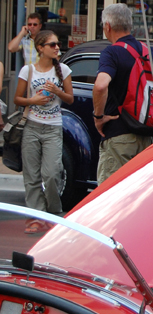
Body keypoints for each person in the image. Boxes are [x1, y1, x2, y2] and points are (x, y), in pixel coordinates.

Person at [92, 4, 153, 184]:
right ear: (129, 25)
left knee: (112, 196)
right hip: (147, 137)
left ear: (107, 26)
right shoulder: (148, 51)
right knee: (137, 197)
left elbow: (101, 85)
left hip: (119, 137)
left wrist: (98, 117)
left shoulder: (112, 52)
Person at [14, 31, 73, 232]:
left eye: (58, 44)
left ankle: (53, 213)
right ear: (40, 48)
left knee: (51, 173)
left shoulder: (63, 70)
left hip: (53, 127)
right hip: (32, 126)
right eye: (53, 44)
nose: (57, 47)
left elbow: (70, 99)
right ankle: (35, 217)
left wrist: (57, 92)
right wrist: (32, 101)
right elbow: (17, 99)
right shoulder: (28, 70)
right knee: (31, 175)